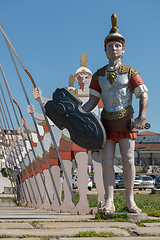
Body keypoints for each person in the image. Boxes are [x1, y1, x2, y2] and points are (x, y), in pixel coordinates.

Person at [82, 13, 148, 214]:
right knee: (107, 162)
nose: (114, 49)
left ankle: (130, 201)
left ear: (124, 49)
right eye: (110, 46)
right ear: (105, 50)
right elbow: (92, 102)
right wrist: (77, 114)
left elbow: (143, 94)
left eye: (117, 45)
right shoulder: (98, 74)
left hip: (126, 121)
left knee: (128, 160)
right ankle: (109, 200)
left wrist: (141, 117)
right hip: (106, 123)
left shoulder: (130, 72)